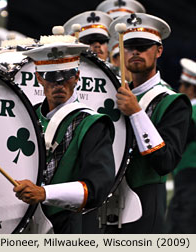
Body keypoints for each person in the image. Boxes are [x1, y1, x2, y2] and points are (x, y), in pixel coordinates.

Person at [13, 39, 116, 234]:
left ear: (77, 76)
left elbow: (97, 188)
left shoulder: (93, 124)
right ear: (38, 78)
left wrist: (44, 193)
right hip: (21, 222)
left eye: (66, 76)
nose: (58, 84)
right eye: (51, 76)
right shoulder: (28, 117)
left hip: (68, 227)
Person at [106, 13, 192, 233]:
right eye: (130, 46)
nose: (136, 52)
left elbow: (165, 162)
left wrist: (136, 113)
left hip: (145, 205)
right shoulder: (111, 95)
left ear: (159, 51)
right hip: (105, 204)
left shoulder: (173, 101)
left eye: (144, 46)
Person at [166, 58, 196, 233]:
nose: (180, 90)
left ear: (190, 88)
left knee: (183, 224)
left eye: (182, 86)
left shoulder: (190, 114)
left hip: (189, 176)